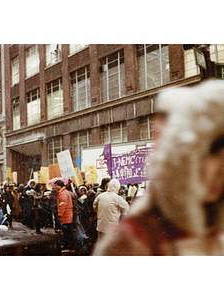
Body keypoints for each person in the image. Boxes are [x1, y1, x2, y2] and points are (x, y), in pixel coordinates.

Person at [93, 79, 224, 256]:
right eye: (213, 152)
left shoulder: (215, 233)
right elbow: (124, 207)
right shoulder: (134, 240)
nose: (220, 171)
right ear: (183, 158)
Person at [54, 179, 74, 253]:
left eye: (56, 185)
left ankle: (69, 246)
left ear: (59, 186)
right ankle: (67, 245)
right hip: (67, 214)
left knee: (67, 231)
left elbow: (62, 205)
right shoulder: (63, 192)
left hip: (66, 215)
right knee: (67, 231)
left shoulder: (63, 194)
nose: (55, 187)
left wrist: (60, 215)